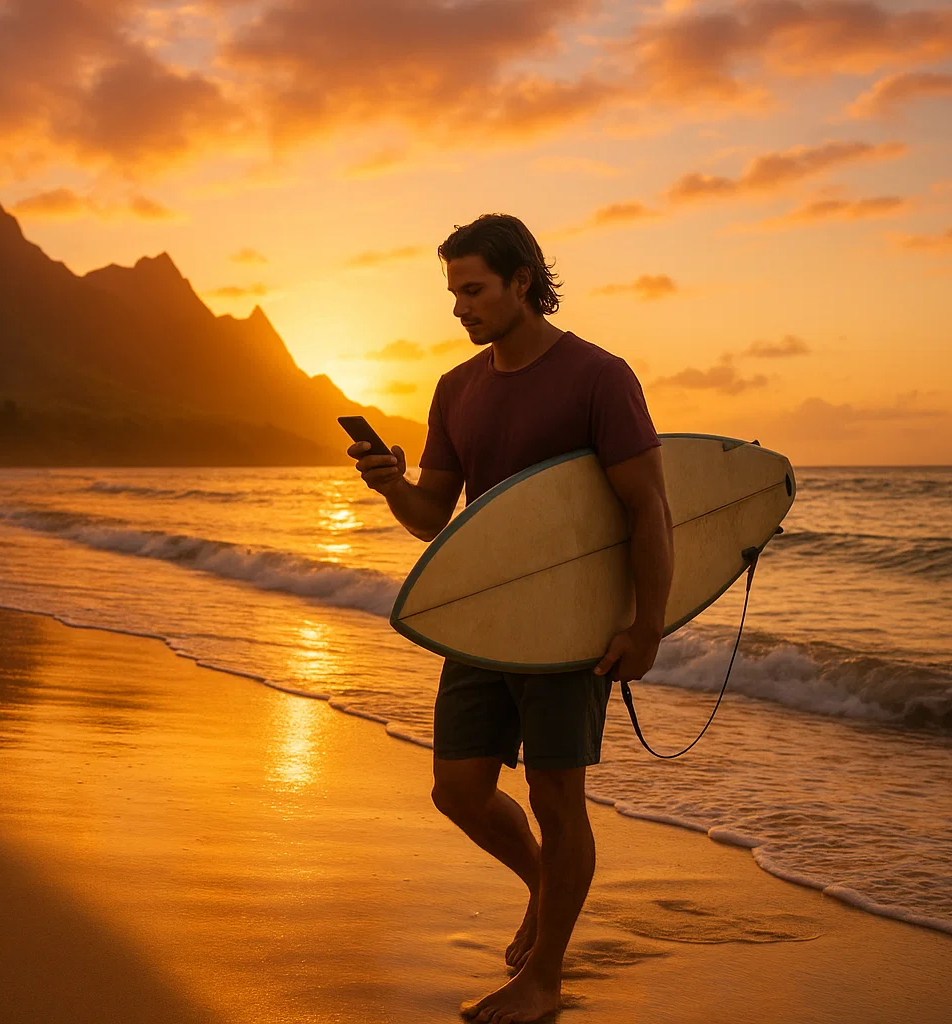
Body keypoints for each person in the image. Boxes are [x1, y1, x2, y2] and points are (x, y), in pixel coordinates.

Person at [349, 214, 674, 1023]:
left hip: (570, 625)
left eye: (474, 289)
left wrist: (647, 627)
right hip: (485, 620)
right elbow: (433, 518)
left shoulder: (599, 377)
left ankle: (545, 977)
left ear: (522, 282)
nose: (460, 307)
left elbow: (650, 507)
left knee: (556, 798)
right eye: (454, 292)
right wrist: (390, 485)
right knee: (458, 789)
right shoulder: (456, 388)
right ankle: (544, 886)